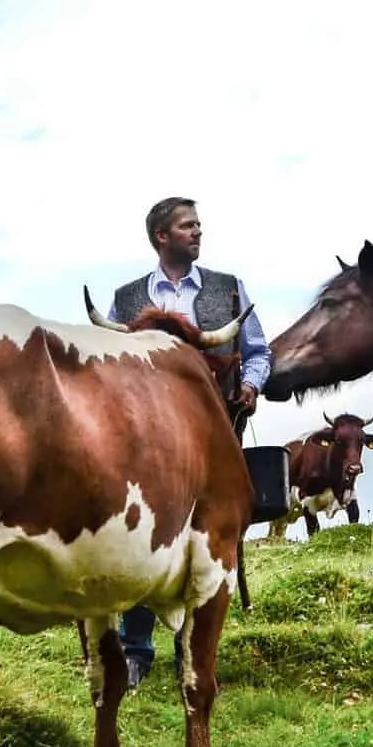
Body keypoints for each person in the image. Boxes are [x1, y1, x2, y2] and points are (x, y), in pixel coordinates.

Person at [103, 195, 269, 689]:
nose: (198, 232)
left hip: (212, 432)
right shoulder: (126, 298)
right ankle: (136, 651)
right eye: (187, 226)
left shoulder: (230, 289)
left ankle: (191, 652)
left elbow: (258, 352)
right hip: (146, 441)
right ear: (162, 237)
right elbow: (107, 360)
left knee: (206, 538)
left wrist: (251, 386)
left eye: (198, 225)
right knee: (143, 534)